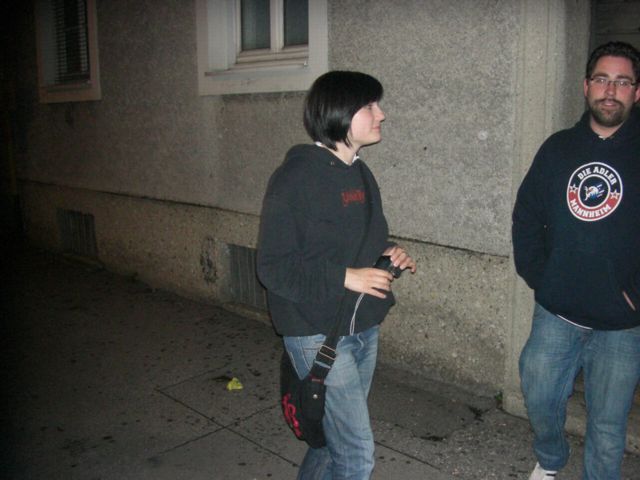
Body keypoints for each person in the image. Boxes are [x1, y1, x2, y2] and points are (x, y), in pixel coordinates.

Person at [256, 71, 416, 480]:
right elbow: (273, 267)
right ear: (339, 113)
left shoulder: (360, 174)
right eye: (369, 106)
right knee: (357, 457)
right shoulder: (295, 178)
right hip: (315, 332)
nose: (381, 114)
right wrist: (347, 277)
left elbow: (352, 245)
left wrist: (387, 253)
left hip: (362, 325)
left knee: (333, 442)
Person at [512, 41, 640, 480]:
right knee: (538, 393)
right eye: (602, 79)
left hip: (622, 323)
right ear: (586, 87)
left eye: (622, 81)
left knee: (607, 424)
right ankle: (551, 457)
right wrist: (543, 277)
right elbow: (527, 215)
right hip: (558, 310)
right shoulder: (558, 149)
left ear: (636, 92)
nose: (611, 90)